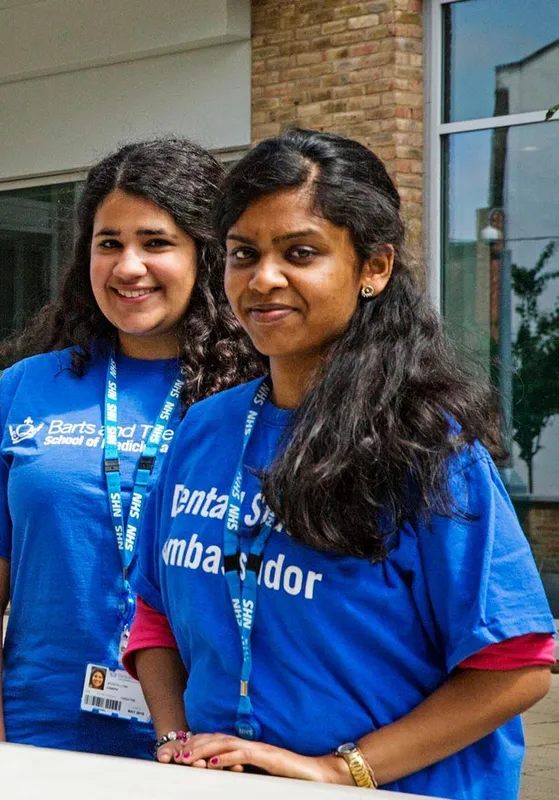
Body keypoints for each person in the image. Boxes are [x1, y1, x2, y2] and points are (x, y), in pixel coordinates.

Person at [128, 129, 554, 798]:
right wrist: (177, 739)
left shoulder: (424, 446)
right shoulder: (204, 430)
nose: (263, 279)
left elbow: (514, 663)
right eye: (243, 254)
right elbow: (152, 612)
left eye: (300, 253)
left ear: (373, 268)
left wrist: (338, 771)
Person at [0, 139, 263, 756]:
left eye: (156, 242)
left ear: (206, 255)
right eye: (110, 243)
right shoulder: (28, 387)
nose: (128, 266)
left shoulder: (259, 397)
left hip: (211, 749)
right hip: (37, 740)